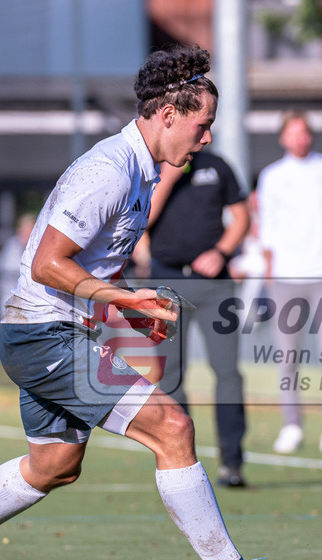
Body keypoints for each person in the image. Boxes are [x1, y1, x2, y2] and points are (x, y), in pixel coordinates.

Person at [0, 45, 311, 560]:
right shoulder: (111, 169)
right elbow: (49, 262)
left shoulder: (145, 169)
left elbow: (95, 262)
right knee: (173, 427)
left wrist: (126, 309)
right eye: (202, 126)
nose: (206, 140)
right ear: (167, 114)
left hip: (49, 333)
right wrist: (124, 297)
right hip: (45, 335)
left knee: (55, 466)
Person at [141, 148, 250, 488]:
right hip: (167, 284)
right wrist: (170, 177)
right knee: (171, 375)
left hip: (215, 287)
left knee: (227, 372)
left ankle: (232, 463)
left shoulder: (217, 166)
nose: (204, 135)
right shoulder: (151, 170)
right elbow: (141, 221)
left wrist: (221, 252)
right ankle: (182, 463)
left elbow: (242, 217)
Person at [257, 110, 322, 455]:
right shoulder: (272, 176)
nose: (299, 139)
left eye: (304, 132)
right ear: (283, 138)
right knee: (287, 358)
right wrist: (268, 277)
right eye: (292, 133)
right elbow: (267, 228)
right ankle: (292, 425)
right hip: (285, 279)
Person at [0, 213, 36, 318]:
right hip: (13, 305)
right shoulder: (12, 248)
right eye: (26, 232)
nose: (28, 236)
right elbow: (13, 272)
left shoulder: (36, 247)